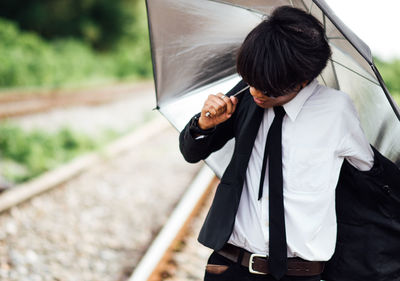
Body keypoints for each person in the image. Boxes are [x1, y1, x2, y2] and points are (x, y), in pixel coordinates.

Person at [179, 6, 375, 281]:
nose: (257, 92)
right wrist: (204, 124)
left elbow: (368, 175)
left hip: (299, 273)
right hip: (230, 265)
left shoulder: (337, 110)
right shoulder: (248, 94)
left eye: (268, 89)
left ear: (302, 80)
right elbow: (191, 152)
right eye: (251, 82)